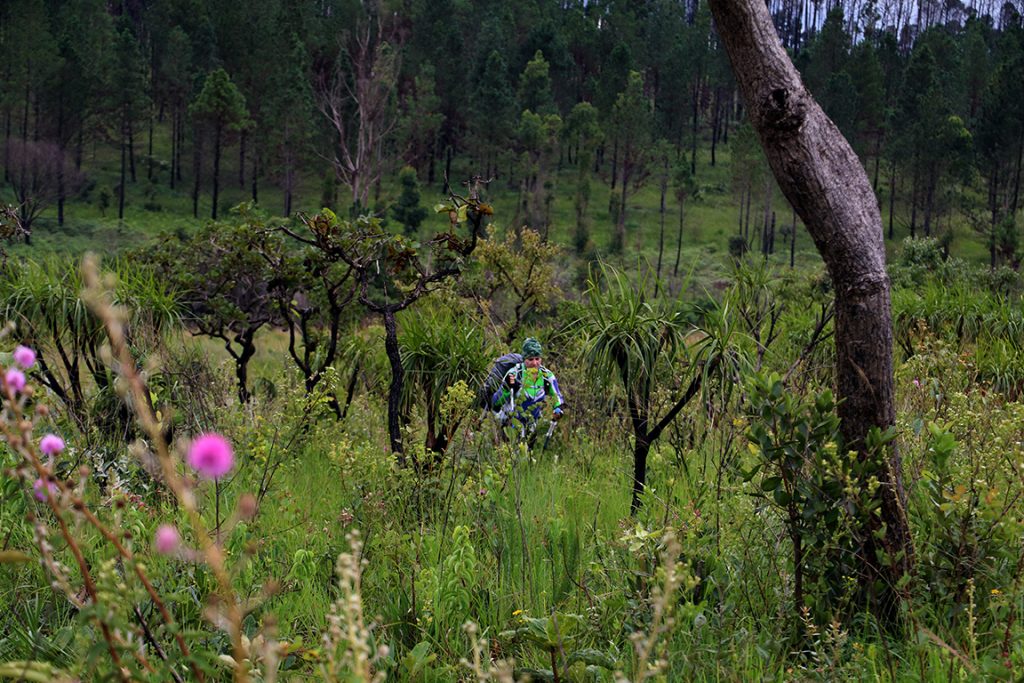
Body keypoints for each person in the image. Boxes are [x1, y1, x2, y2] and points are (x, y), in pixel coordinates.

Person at [491, 337, 565, 433]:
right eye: (530, 359)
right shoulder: (514, 373)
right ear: (524, 359)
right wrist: (506, 387)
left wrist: (558, 408)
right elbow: (496, 403)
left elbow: (557, 397)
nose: (534, 363)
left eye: (537, 359)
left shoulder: (547, 376)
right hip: (511, 424)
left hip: (532, 425)